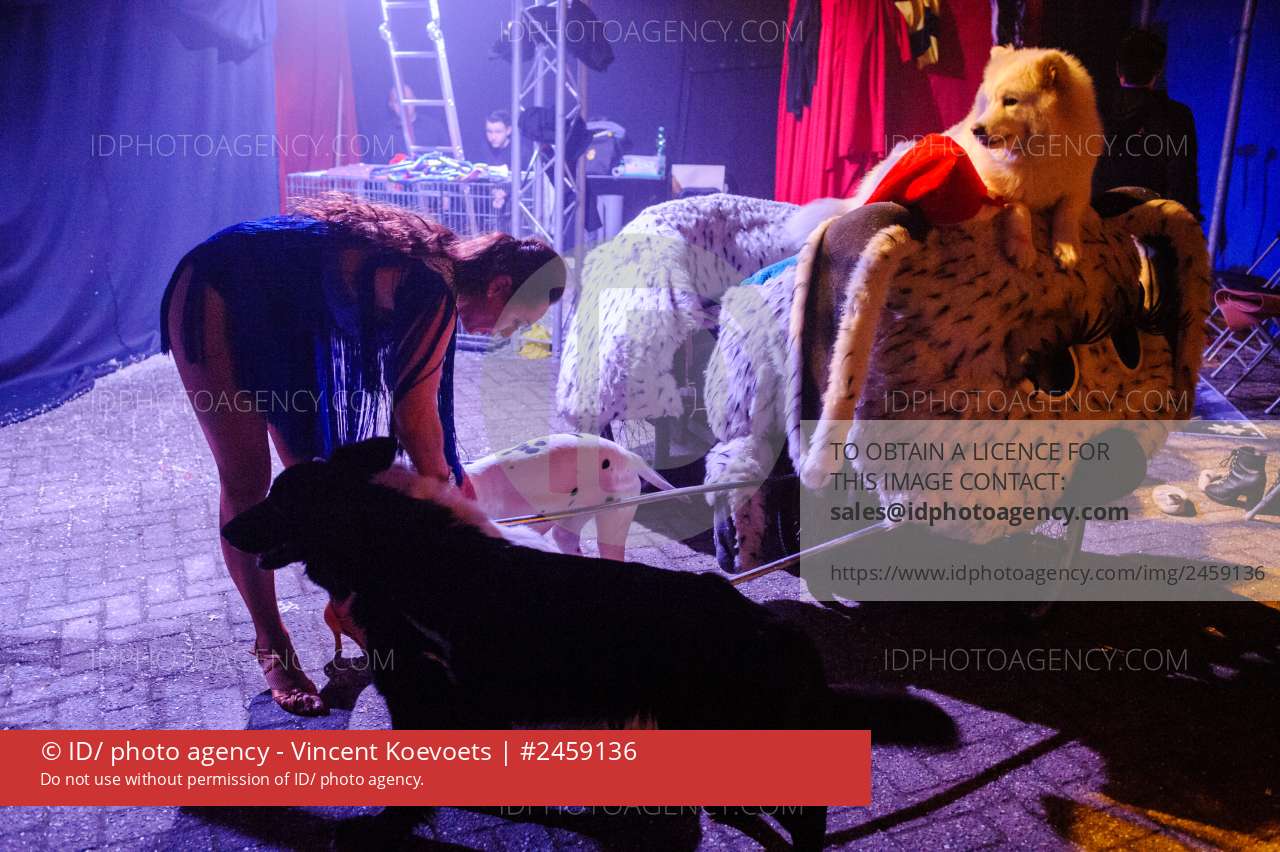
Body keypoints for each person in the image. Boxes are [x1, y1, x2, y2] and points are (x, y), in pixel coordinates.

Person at [160, 194, 564, 715]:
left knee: (314, 477)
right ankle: (272, 645)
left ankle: (350, 611)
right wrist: (449, 504)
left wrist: (446, 485)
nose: (508, 334)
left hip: (288, 321)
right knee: (247, 481)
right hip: (221, 288)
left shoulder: (440, 280)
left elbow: (425, 418)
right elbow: (414, 416)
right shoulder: (432, 283)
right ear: (499, 286)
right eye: (518, 320)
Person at [1093, 28, 1200, 219]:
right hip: (1151, 224)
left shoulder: (1094, 112)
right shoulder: (1176, 116)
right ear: (1158, 70)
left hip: (1097, 223)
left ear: (1118, 69)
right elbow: (1183, 181)